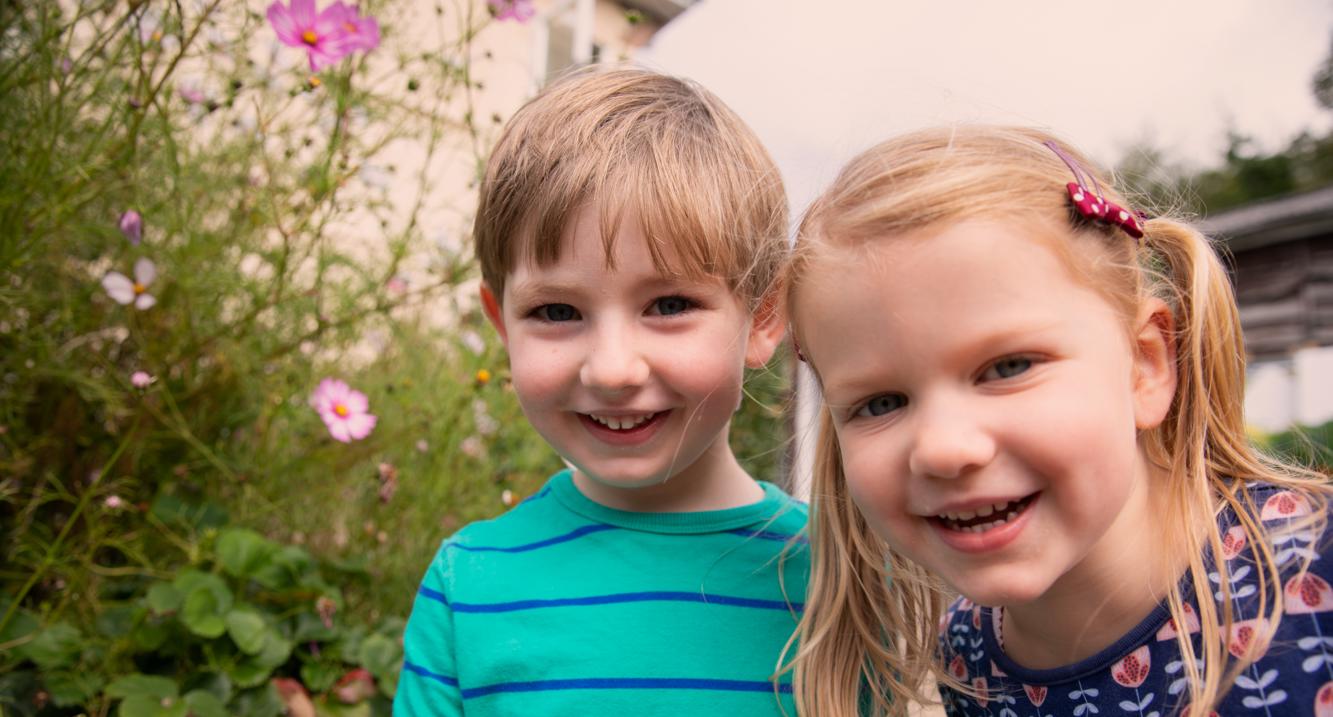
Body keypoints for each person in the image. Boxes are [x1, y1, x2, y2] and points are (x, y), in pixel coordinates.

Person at [783, 125, 1333, 716]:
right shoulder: (967, 661)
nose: (943, 449)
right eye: (881, 403)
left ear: (1145, 365)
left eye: (1007, 367)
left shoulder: (1314, 571)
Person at [394, 67, 808, 717]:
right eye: (557, 312)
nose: (612, 369)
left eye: (668, 303)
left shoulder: (840, 582)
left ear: (762, 315)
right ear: (501, 323)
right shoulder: (468, 585)